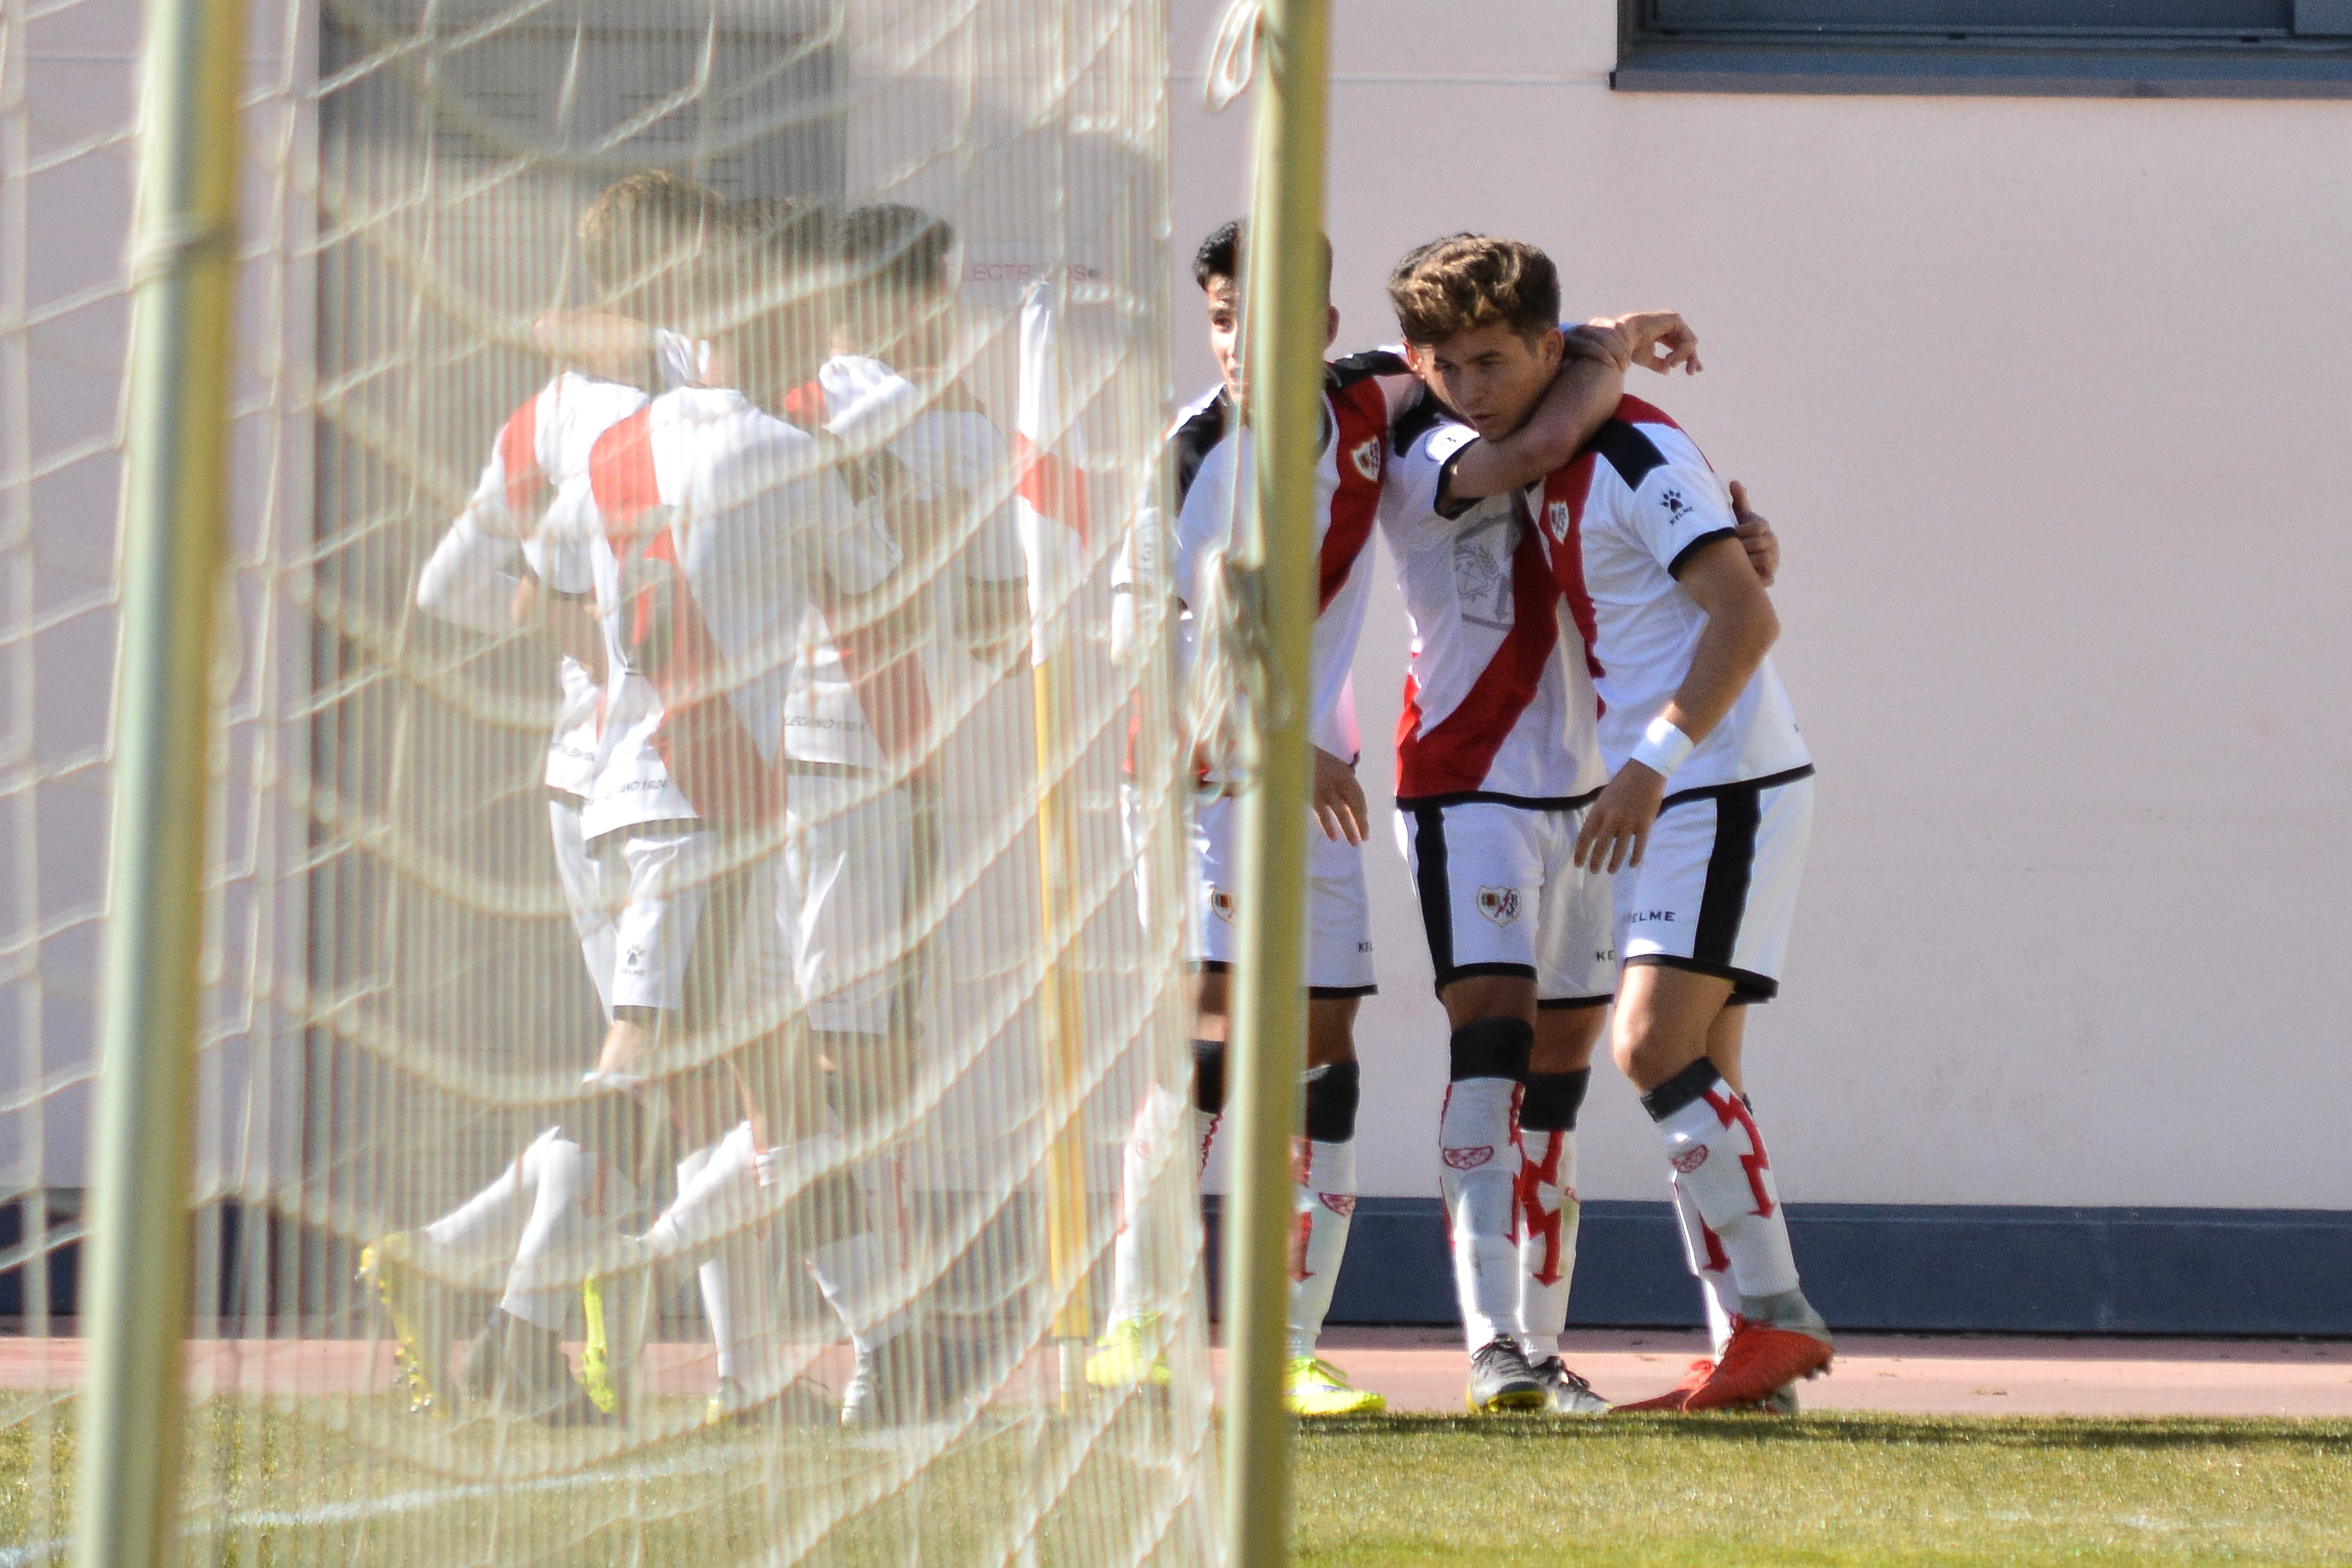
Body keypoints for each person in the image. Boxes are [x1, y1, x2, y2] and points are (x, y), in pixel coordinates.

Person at [360, 171, 729, 1425]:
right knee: (644, 1063)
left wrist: (558, 614)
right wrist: (590, 619)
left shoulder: (544, 415)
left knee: (654, 1073)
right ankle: (516, 1328)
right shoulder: (674, 401)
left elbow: (454, 591)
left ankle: (454, 1262)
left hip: (578, 776)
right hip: (671, 768)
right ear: (673, 270)